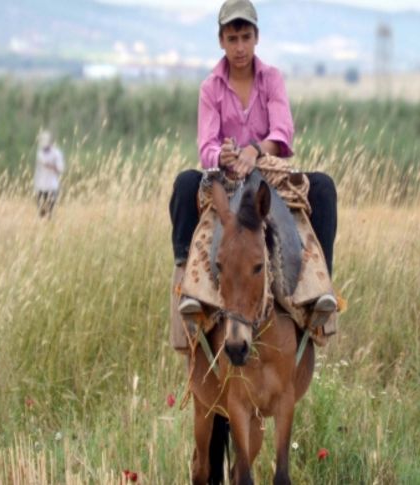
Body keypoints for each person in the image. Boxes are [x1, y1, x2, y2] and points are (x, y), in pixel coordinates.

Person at [168, 0, 337, 349]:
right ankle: (187, 284)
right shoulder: (210, 88)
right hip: (228, 180)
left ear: (256, 38)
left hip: (268, 175)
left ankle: (320, 290)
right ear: (221, 41)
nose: (240, 47)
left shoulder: (271, 78)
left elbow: (283, 134)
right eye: (232, 38)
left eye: (246, 37)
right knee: (185, 184)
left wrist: (254, 150)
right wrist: (223, 154)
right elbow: (206, 147)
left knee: (323, 187)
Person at [33, 130, 65, 219]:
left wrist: (53, 166)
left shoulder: (57, 153)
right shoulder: (40, 153)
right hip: (41, 186)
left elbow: (60, 168)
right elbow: (43, 164)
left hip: (52, 186)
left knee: (50, 212)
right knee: (41, 212)